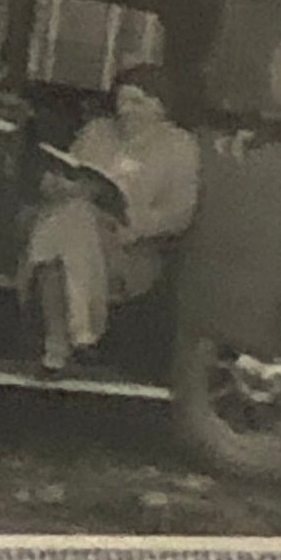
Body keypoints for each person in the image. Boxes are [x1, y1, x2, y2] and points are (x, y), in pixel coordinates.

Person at [18, 63, 200, 370]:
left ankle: (60, 344)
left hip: (127, 248)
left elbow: (179, 212)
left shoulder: (179, 147)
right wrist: (58, 186)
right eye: (122, 100)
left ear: (161, 106)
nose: (126, 110)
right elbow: (63, 172)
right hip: (76, 227)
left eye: (138, 102)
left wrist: (136, 228)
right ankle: (80, 335)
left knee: (56, 239)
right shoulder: (96, 132)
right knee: (73, 219)